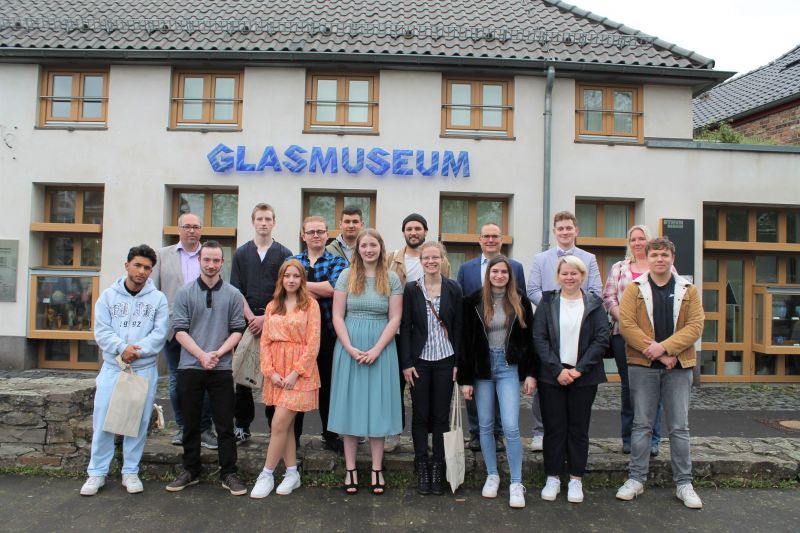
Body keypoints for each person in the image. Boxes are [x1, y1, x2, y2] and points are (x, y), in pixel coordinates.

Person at [615, 237, 705, 509]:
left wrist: (666, 348)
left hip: (679, 366)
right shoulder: (634, 289)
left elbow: (695, 326)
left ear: (672, 258)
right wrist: (657, 353)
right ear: (648, 257)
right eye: (654, 254)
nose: (659, 259)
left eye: (665, 255)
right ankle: (636, 479)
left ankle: (684, 483)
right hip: (643, 366)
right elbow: (627, 325)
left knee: (679, 427)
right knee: (641, 425)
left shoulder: (688, 289)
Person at [80, 245, 169, 496]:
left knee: (137, 422)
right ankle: (97, 473)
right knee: (103, 420)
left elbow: (159, 333)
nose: (141, 271)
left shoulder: (158, 299)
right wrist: (122, 348)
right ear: (127, 265)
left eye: (147, 268)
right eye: (137, 265)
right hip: (114, 367)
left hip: (142, 369)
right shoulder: (108, 296)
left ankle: (130, 471)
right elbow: (102, 331)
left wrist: (137, 351)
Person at [165, 241, 248, 496]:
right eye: (207, 260)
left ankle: (229, 473)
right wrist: (201, 355)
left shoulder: (233, 294)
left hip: (221, 368)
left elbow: (237, 330)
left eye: (216, 260)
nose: (211, 265)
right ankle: (191, 470)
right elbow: (179, 330)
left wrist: (217, 354)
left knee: (224, 425)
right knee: (190, 424)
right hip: (190, 366)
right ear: (200, 260)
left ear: (222, 263)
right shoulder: (184, 293)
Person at [328, 229, 403, 495]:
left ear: (380, 248)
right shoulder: (346, 275)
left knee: (377, 407)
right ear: (357, 249)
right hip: (349, 345)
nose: (368, 250)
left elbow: (395, 318)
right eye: (364, 245)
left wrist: (376, 349)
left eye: (373, 245)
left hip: (381, 348)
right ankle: (350, 469)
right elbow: (337, 315)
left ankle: (376, 468)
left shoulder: (391, 278)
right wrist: (349, 347)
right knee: (350, 406)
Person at [459, 255, 537, 509]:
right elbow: (465, 343)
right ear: (488, 274)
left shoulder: (520, 300)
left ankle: (516, 482)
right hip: (482, 369)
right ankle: (492, 475)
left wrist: (531, 373)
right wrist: (466, 379)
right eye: (495, 272)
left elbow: (530, 340)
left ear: (509, 275)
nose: (499, 276)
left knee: (511, 427)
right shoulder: (473, 301)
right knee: (485, 425)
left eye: (504, 272)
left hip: (508, 367)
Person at [533, 255, 609, 504]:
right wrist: (558, 370)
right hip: (552, 376)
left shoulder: (594, 303)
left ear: (583, 276)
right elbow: (539, 338)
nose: (569, 277)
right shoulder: (547, 302)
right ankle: (553, 477)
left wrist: (579, 369)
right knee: (554, 428)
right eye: (564, 273)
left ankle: (576, 478)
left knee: (578, 428)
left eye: (574, 273)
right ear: (558, 276)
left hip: (583, 377)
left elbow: (602, 339)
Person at [527, 210, 602, 452]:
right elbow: (532, 289)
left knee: (578, 395)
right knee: (546, 382)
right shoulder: (541, 259)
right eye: (560, 228)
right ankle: (540, 431)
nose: (565, 232)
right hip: (549, 327)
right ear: (554, 232)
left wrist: (575, 304)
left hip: (580, 327)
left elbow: (596, 291)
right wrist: (552, 309)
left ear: (576, 230)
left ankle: (574, 439)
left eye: (569, 228)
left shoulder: (589, 258)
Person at [250, 260, 321, 498]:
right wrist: (270, 372)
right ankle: (292, 473)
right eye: (287, 276)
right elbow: (265, 342)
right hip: (277, 372)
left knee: (278, 423)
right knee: (286, 426)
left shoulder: (310, 305)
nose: (291, 280)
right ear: (281, 279)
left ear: (302, 279)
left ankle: (267, 474)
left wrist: (295, 372)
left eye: (296, 276)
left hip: (299, 372)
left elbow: (313, 343)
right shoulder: (273, 306)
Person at [398, 241, 462, 496]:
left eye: (435, 257)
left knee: (440, 417)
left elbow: (458, 327)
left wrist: (458, 363)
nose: (431, 261)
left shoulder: (453, 288)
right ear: (421, 261)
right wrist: (406, 363)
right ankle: (422, 465)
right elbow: (405, 328)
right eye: (426, 258)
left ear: (443, 259)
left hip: (446, 359)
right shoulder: (412, 289)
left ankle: (438, 466)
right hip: (420, 361)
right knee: (420, 415)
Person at [456, 222, 525, 452]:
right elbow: (462, 304)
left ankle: (498, 434)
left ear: (501, 240)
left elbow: (521, 304)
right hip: (478, 343)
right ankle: (476, 432)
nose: (490, 240)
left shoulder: (516, 267)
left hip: (504, 346)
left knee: (503, 396)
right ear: (480, 239)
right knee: (476, 392)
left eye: (495, 236)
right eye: (486, 236)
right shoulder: (466, 268)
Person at [386, 213, 452, 452]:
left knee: (427, 391)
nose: (413, 232)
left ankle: (433, 438)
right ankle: (393, 432)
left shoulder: (440, 260)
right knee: (395, 385)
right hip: (397, 329)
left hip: (428, 333)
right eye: (409, 229)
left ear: (425, 231)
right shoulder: (392, 258)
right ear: (404, 232)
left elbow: (446, 295)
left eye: (418, 228)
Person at [603, 225, 669, 456]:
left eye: (642, 238)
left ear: (649, 241)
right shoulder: (619, 268)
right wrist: (628, 323)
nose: (638, 242)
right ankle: (629, 438)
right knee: (629, 387)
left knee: (654, 388)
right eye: (633, 239)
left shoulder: (661, 265)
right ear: (629, 242)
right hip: (623, 335)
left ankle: (652, 439)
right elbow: (609, 298)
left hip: (655, 339)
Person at [152, 213, 216, 449]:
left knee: (205, 379)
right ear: (178, 229)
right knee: (177, 380)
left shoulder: (208, 255)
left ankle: (204, 429)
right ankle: (182, 427)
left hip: (205, 329)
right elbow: (155, 292)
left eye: (196, 227)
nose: (191, 230)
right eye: (187, 226)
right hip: (173, 328)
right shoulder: (162, 255)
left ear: (201, 230)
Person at [230, 203, 293, 444]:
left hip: (275, 322)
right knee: (242, 376)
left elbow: (287, 291)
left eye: (268, 219)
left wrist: (266, 318)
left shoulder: (284, 254)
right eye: (260, 219)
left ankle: (273, 427)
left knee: (273, 376)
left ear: (274, 222)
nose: (264, 223)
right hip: (247, 322)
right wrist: (251, 319)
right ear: (253, 222)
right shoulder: (241, 253)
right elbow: (236, 290)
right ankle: (242, 426)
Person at [289, 216, 348, 452]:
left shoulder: (337, 262)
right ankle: (294, 435)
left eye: (320, 232)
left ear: (327, 234)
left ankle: (330, 435)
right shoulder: (292, 261)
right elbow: (285, 290)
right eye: (311, 232)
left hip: (328, 333)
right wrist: (317, 288)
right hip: (297, 335)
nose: (316, 235)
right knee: (298, 384)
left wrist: (299, 284)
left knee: (328, 386)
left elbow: (334, 289)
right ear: (303, 235)